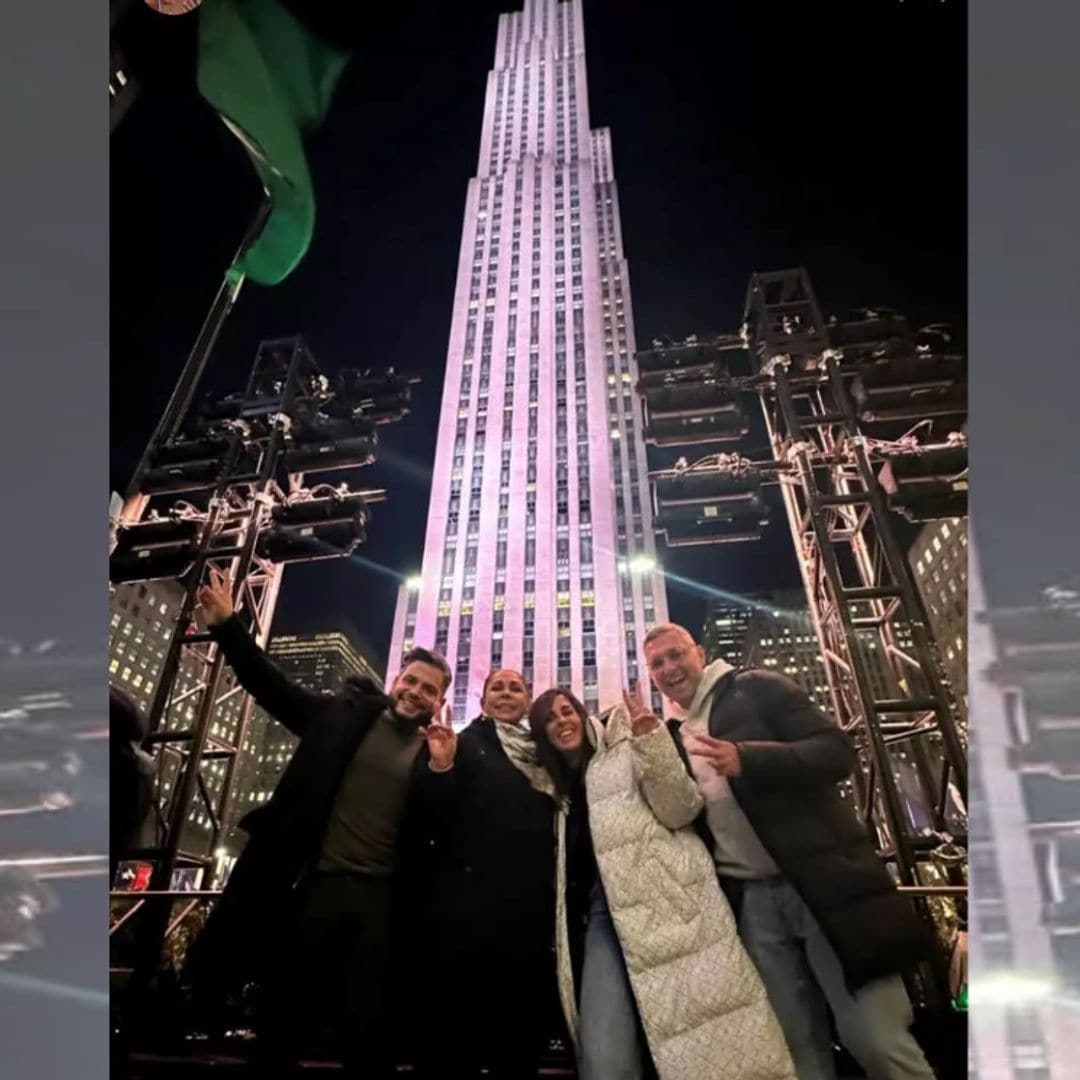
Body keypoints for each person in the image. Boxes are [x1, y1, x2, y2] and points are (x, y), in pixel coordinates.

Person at [183, 567, 457, 1078]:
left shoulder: (437, 753)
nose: (417, 692)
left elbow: (442, 833)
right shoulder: (341, 717)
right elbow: (270, 686)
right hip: (314, 887)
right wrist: (227, 626)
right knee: (284, 1017)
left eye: (429, 690)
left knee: (367, 1031)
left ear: (440, 702)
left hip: (381, 902)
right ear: (396, 680)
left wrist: (443, 771)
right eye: (412, 681)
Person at [643, 622, 937, 1080]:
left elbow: (836, 751)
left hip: (824, 887)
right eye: (657, 663)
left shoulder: (756, 688)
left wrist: (750, 757)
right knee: (793, 1051)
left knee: (876, 1041)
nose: (668, 668)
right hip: (751, 903)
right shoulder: (672, 735)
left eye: (675, 654)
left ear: (699, 653)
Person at [528, 685, 796, 1080]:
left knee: (710, 1044)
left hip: (664, 904)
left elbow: (681, 809)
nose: (561, 722)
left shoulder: (626, 747)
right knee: (604, 1059)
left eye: (567, 711)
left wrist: (651, 741)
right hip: (602, 918)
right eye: (549, 719)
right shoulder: (554, 790)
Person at [413, 668, 565, 1078]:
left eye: (515, 687)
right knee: (458, 1044)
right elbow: (431, 821)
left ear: (528, 700)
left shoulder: (544, 752)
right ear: (481, 701)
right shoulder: (460, 742)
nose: (505, 692)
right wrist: (441, 767)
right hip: (467, 919)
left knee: (517, 1047)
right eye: (496, 686)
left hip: (529, 917)